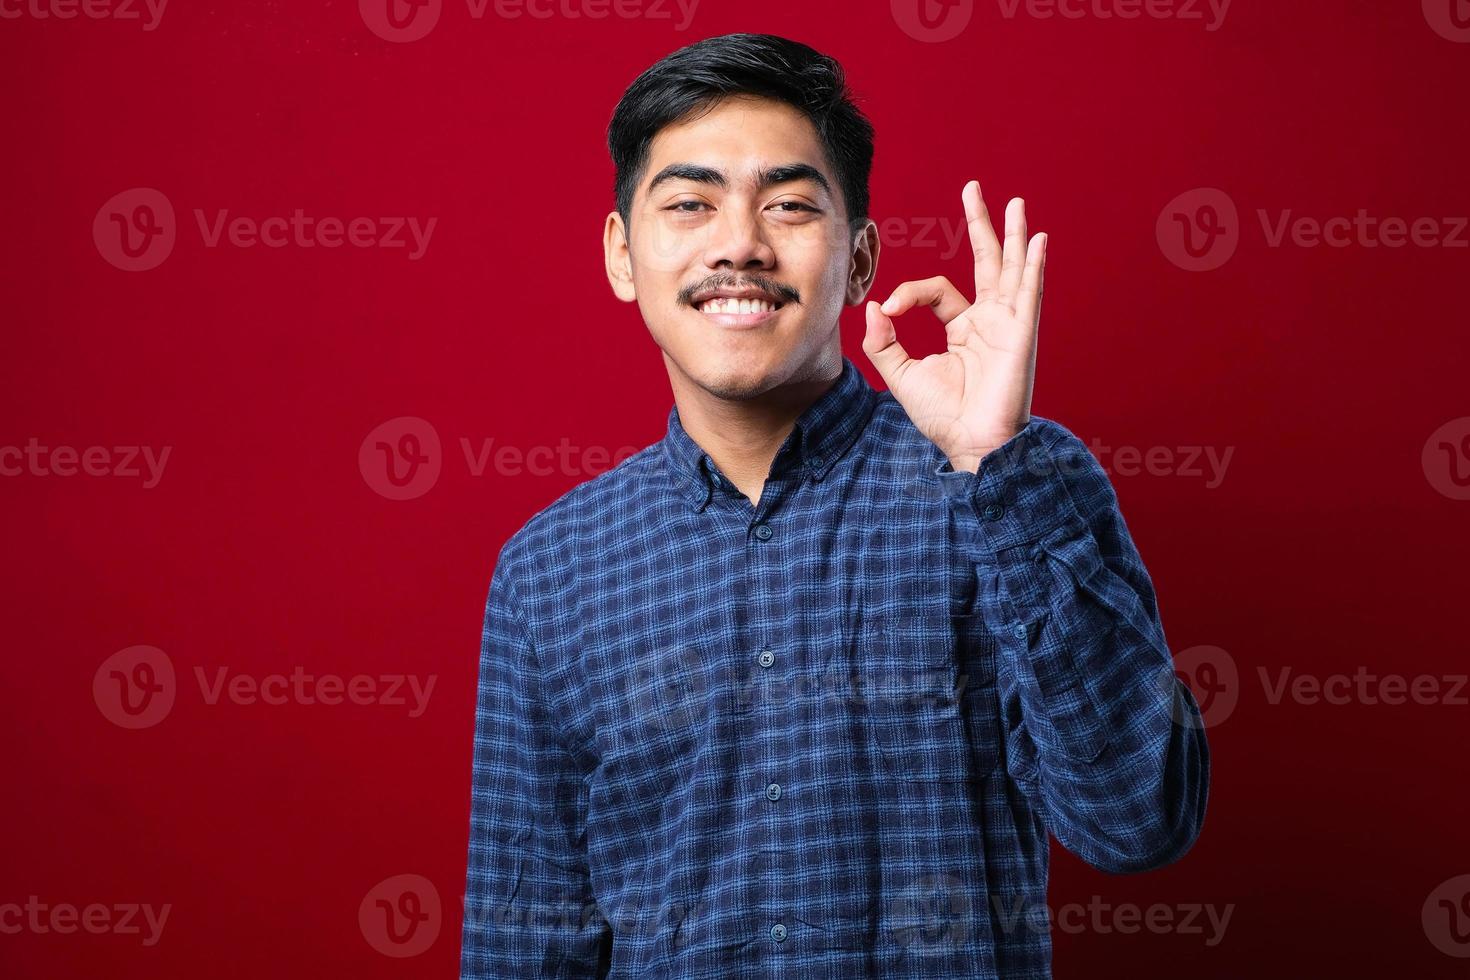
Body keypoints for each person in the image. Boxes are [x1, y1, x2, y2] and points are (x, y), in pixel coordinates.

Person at [460, 32, 1209, 980]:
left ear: (859, 263)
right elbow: (525, 943)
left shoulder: (1010, 484)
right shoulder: (549, 571)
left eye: (789, 205)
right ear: (622, 254)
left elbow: (1139, 820)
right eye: (690, 203)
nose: (739, 244)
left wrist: (993, 464)